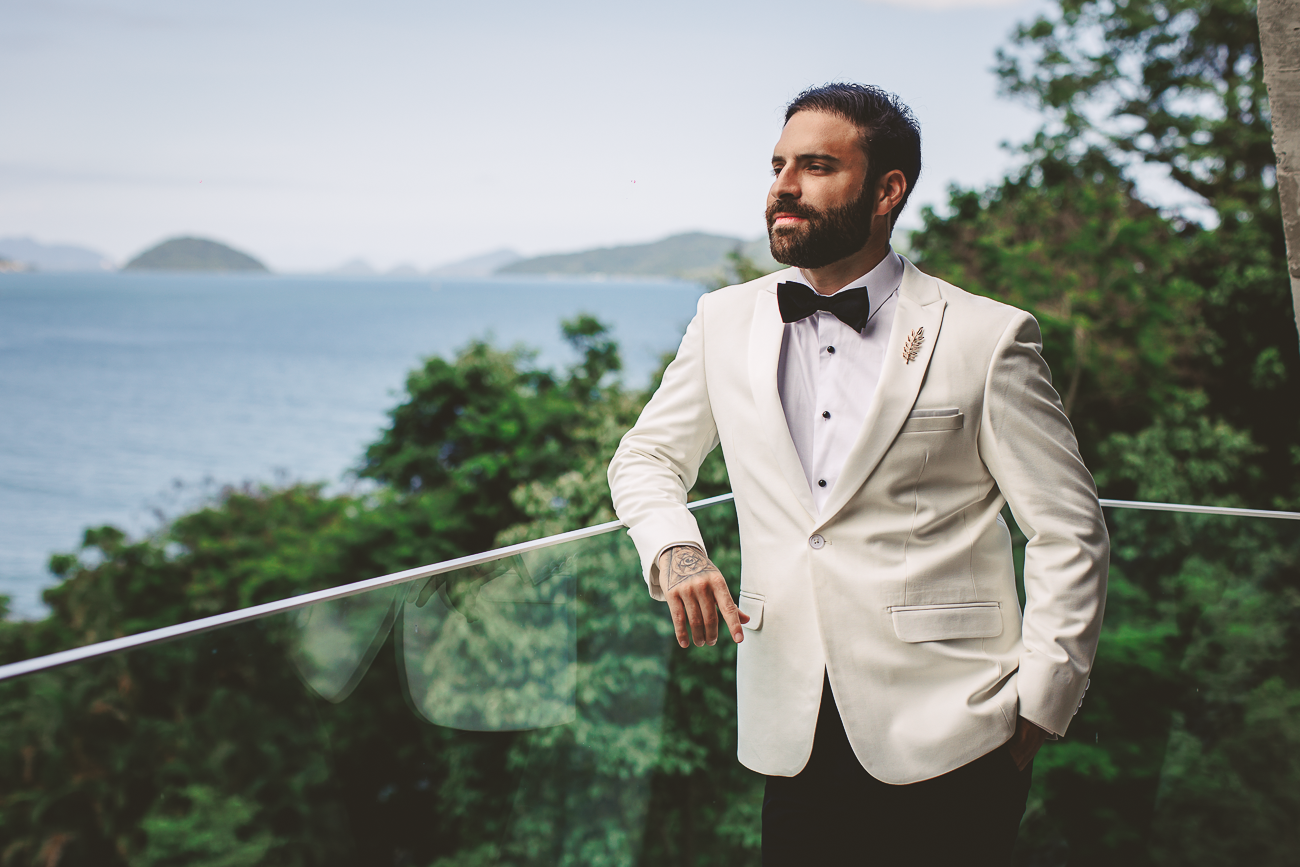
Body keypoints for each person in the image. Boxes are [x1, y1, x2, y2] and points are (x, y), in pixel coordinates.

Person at [607, 83, 1109, 865]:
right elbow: (645, 457)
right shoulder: (724, 321)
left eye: (814, 166)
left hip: (959, 727)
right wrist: (677, 549)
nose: (782, 186)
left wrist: (1039, 707)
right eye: (777, 165)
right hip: (791, 721)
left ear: (887, 190)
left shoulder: (987, 336)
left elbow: (1068, 527)